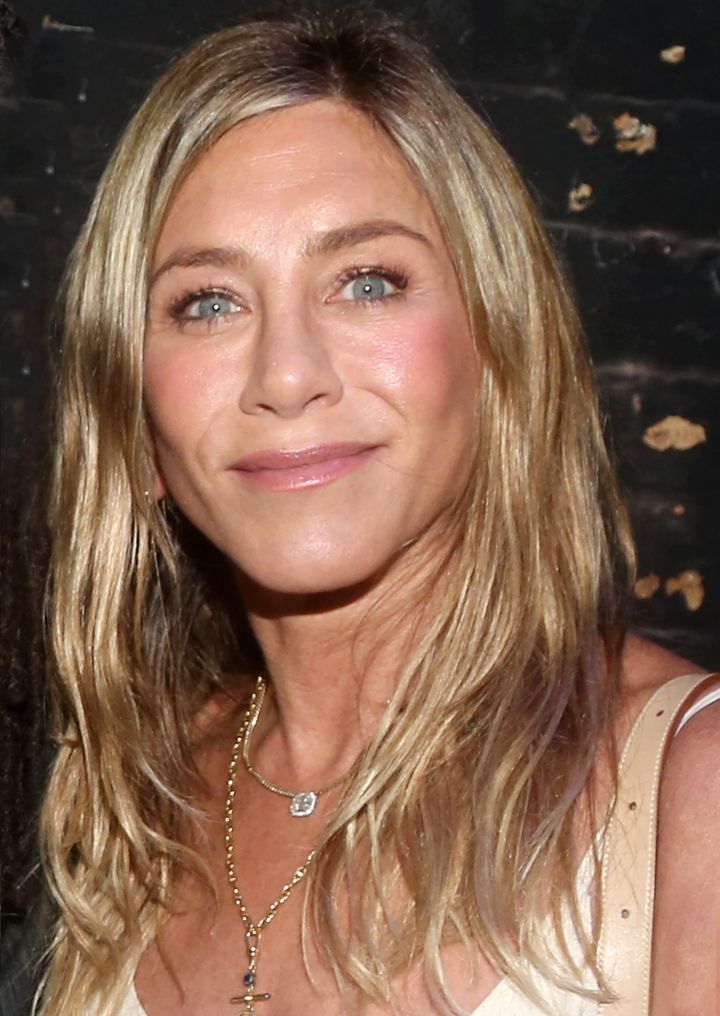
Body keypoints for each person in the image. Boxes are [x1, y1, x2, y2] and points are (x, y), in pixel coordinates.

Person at [35, 9, 718, 1016]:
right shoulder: (123, 798)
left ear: (499, 353)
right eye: (209, 302)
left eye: (366, 282)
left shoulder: (691, 789)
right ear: (135, 422)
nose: (287, 375)